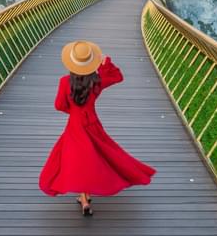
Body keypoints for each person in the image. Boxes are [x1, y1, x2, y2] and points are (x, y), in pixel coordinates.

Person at [38, 40, 156, 216]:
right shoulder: (96, 81)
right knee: (97, 155)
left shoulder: (64, 82)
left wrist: (72, 110)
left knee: (78, 158)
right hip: (92, 124)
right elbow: (117, 76)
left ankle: (84, 199)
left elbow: (59, 105)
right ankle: (85, 196)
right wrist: (106, 62)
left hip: (75, 125)